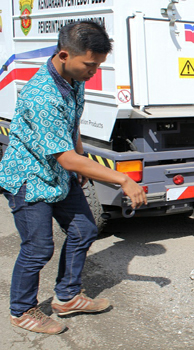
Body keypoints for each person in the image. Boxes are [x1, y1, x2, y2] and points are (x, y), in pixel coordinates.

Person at [0, 21, 147, 334]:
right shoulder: (42, 95)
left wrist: (80, 164)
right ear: (64, 54)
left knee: (84, 229)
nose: (94, 72)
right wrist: (122, 179)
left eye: (98, 65)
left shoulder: (74, 78)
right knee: (38, 248)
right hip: (30, 178)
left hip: (60, 172)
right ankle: (22, 310)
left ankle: (66, 296)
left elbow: (72, 125)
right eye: (90, 65)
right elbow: (64, 157)